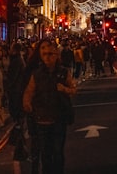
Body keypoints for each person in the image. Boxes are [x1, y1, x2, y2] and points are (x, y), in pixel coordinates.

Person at [23, 40, 76, 174]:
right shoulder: (37, 74)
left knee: (58, 152)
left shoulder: (64, 72)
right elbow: (29, 92)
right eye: (45, 53)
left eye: (51, 54)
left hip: (58, 118)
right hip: (41, 119)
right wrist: (27, 104)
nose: (47, 57)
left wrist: (64, 89)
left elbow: (73, 89)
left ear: (56, 55)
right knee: (45, 154)